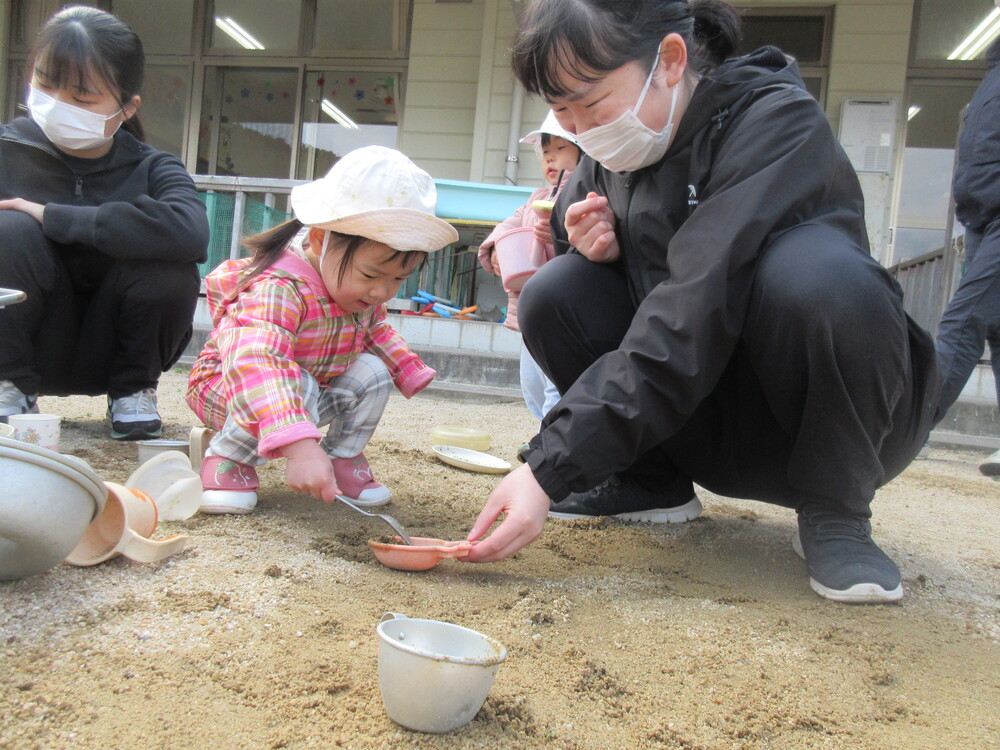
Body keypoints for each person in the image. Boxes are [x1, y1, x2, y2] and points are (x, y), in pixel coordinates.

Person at [465, 0, 940, 605]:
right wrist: (590, 245)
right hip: (702, 415)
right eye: (561, 111)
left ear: (668, 60)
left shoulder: (772, 125)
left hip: (810, 419)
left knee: (820, 277)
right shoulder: (616, 150)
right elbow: (568, 229)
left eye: (590, 103)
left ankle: (837, 509)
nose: (580, 132)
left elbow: (694, 307)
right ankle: (652, 481)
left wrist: (548, 467)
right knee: (559, 290)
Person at [186, 146, 458, 515]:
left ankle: (341, 459)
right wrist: (299, 448)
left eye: (399, 278)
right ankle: (227, 457)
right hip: (231, 389)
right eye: (371, 275)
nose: (383, 292)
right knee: (299, 384)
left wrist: (406, 369)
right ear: (319, 240)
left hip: (304, 394)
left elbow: (375, 332)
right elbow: (258, 361)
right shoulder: (278, 287)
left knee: (372, 373)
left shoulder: (358, 293)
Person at [0, 6, 209, 439]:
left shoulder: (154, 167)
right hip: (23, 342)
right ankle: (9, 386)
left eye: (81, 98)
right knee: (9, 228)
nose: (57, 105)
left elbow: (191, 231)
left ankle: (134, 392)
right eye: (45, 84)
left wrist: (51, 215)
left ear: (127, 106)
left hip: (115, 348)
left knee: (170, 261)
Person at [478, 111, 581, 422]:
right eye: (545, 152)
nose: (550, 159)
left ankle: (551, 445)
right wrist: (496, 247)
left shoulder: (584, 195)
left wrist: (557, 234)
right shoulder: (537, 197)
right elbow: (507, 225)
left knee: (556, 385)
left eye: (560, 149)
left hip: (562, 313)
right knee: (532, 384)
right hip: (529, 310)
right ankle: (545, 434)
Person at [933, 31, 1000, 477]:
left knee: (965, 320)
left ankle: (901, 428)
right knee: (996, 328)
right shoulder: (992, 72)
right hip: (982, 215)